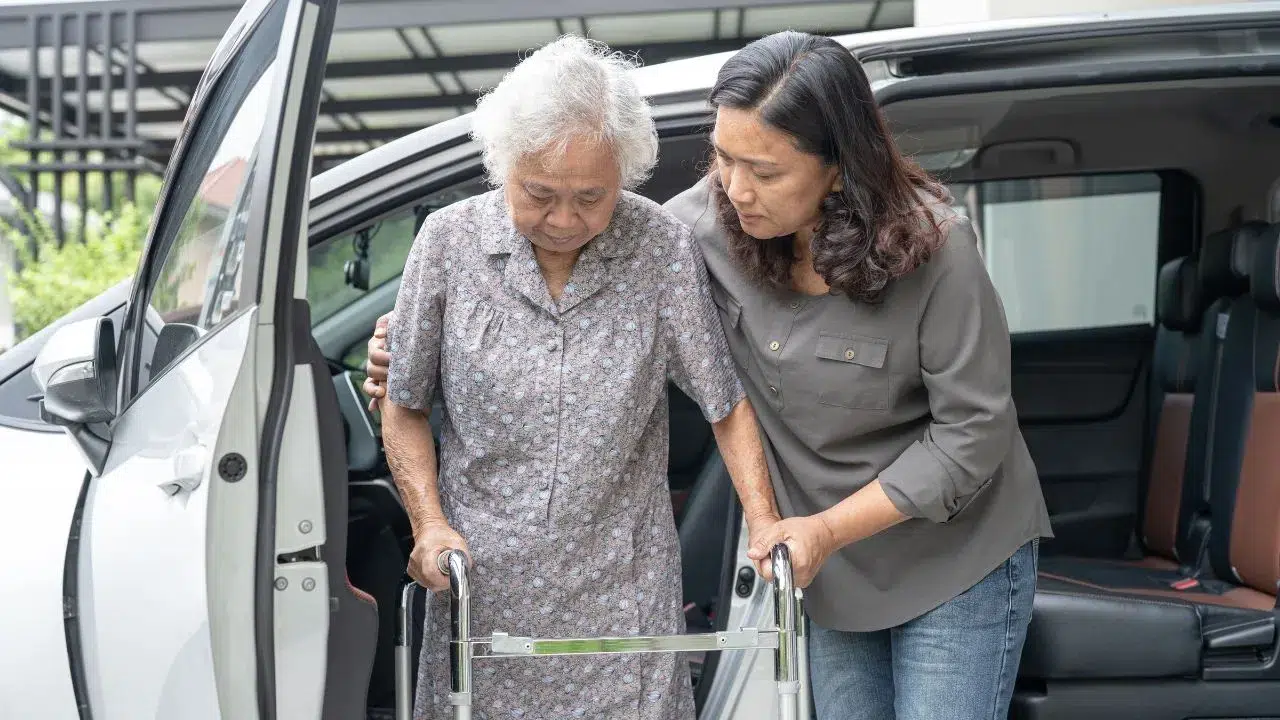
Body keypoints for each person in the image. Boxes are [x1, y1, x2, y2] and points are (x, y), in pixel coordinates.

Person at [367, 31, 1053, 720]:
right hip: (833, 565)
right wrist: (404, 355)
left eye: (765, 170)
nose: (735, 187)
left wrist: (813, 528)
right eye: (723, 158)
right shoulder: (697, 224)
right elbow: (595, 271)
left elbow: (973, 433)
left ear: (839, 169)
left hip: (952, 556)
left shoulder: (934, 248)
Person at [375, 36, 772, 720]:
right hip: (484, 592)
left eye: (591, 196)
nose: (564, 219)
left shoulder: (659, 248)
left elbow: (725, 403)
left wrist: (764, 522)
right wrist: (428, 525)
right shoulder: (447, 244)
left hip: (623, 598)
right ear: (504, 166)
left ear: (624, 172)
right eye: (539, 194)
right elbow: (404, 401)